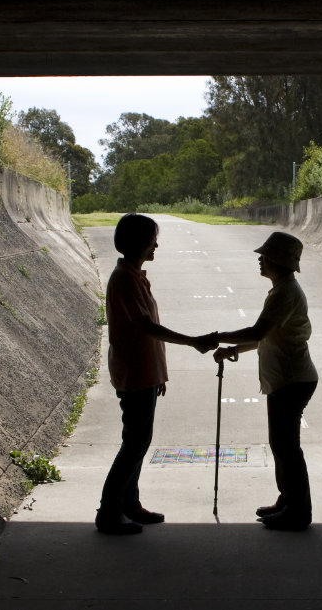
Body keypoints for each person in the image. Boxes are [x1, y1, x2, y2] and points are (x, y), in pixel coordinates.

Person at [97, 213, 217, 535]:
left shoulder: (133, 276)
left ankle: (129, 503)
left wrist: (159, 374)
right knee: (135, 443)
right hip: (134, 372)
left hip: (144, 372)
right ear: (139, 243)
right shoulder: (125, 279)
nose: (156, 246)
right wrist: (192, 342)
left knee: (138, 440)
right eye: (152, 240)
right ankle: (109, 510)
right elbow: (146, 327)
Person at [213, 231, 318, 531]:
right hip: (286, 379)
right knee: (281, 445)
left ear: (279, 261)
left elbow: (258, 332)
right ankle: (288, 500)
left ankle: (298, 511)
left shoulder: (285, 293)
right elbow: (266, 336)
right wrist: (233, 349)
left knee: (287, 447)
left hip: (291, 379)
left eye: (266, 256)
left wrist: (215, 337)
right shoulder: (280, 290)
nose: (260, 259)